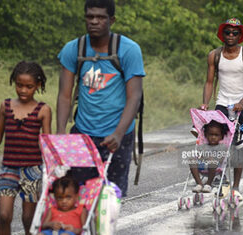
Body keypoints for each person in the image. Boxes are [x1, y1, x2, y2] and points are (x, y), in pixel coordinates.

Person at [57, 0, 145, 197]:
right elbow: (64, 95)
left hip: (117, 135)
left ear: (111, 20)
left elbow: (134, 97)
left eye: (100, 17)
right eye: (90, 17)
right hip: (83, 134)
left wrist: (119, 134)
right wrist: (61, 131)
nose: (94, 21)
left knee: (110, 199)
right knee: (77, 197)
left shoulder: (128, 50)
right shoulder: (74, 49)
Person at [0, 61, 52, 235]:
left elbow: (46, 141)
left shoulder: (43, 110)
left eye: (29, 86)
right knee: (4, 216)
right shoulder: (6, 106)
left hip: (32, 170)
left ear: (38, 86)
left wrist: (51, 168)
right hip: (9, 168)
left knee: (28, 219)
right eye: (19, 85)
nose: (23, 90)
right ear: (14, 83)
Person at [200, 18, 243, 201]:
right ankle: (219, 179)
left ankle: (236, 187)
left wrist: (242, 101)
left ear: (240, 36)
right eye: (228, 32)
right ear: (222, 34)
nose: (231, 36)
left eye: (235, 33)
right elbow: (209, 82)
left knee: (239, 147)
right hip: (222, 104)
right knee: (216, 143)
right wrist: (205, 104)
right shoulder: (214, 55)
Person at [190, 120, 228, 193]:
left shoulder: (222, 147)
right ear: (206, 135)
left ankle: (208, 184)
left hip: (216, 167)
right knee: (192, 159)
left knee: (212, 162)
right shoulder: (203, 146)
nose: (213, 137)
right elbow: (199, 156)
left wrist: (211, 158)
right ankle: (199, 184)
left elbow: (221, 159)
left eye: (216, 135)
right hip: (203, 166)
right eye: (211, 135)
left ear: (221, 137)